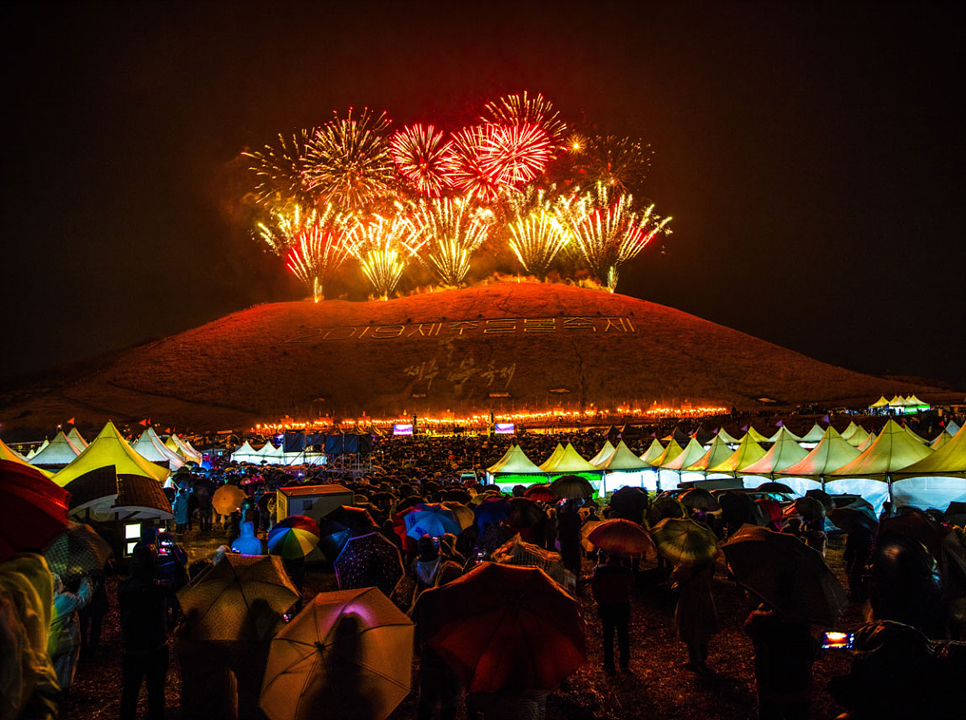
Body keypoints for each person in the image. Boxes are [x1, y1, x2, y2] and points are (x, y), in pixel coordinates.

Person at [118, 545, 176, 720]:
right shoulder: (159, 589)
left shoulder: (124, 587)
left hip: (132, 646)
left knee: (130, 692)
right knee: (156, 693)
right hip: (156, 647)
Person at [744, 603, 819, 720]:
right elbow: (814, 654)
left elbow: (748, 627)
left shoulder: (761, 623)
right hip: (798, 687)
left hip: (768, 684)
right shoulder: (802, 628)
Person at [48, 574, 92, 699]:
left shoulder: (40, 601)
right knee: (64, 674)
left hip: (47, 643)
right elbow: (84, 598)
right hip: (65, 642)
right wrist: (86, 580)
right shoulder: (64, 600)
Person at [671, 558, 718, 672]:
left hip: (691, 598)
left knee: (691, 628)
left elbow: (677, 575)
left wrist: (676, 566)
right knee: (703, 628)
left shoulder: (688, 561)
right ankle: (702, 657)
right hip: (705, 597)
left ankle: (694, 660)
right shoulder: (708, 560)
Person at [591, 553, 634, 673]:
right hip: (623, 606)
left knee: (608, 636)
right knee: (623, 635)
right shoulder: (627, 572)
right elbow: (631, 587)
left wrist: (600, 600)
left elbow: (595, 588)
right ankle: (624, 664)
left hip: (607, 606)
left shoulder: (600, 571)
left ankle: (609, 664)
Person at [844, 522, 875, 602]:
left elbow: (850, 545)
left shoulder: (855, 531)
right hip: (866, 555)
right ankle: (863, 593)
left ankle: (855, 594)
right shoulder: (869, 530)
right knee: (863, 574)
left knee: (854, 574)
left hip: (857, 555)